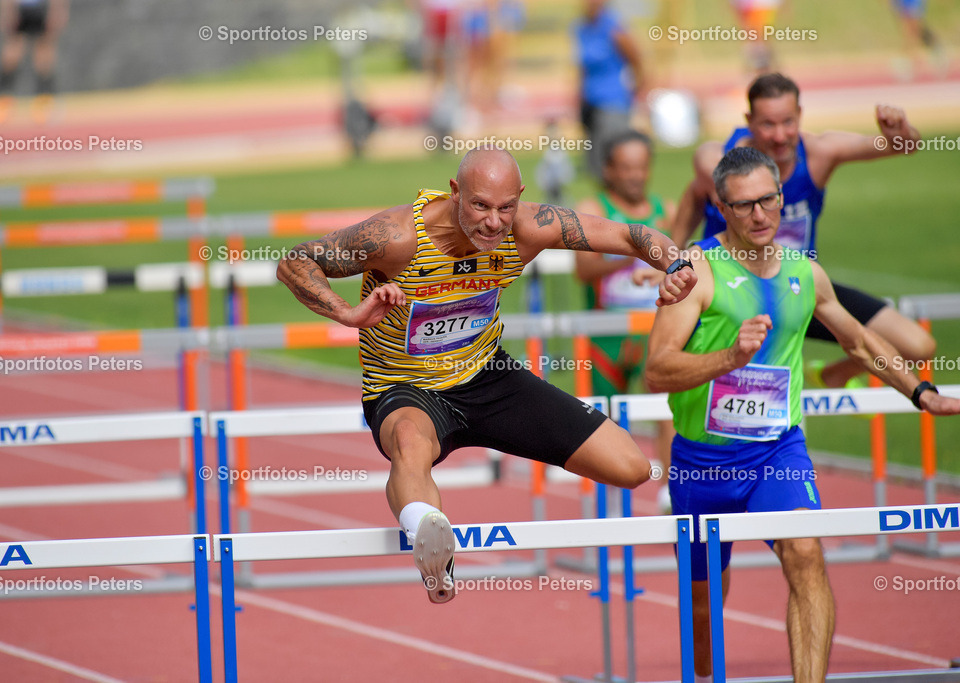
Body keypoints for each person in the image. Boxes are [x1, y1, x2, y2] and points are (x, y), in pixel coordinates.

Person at [277, 147, 696, 603]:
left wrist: (677, 265)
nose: (493, 223)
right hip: (407, 387)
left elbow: (633, 235)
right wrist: (348, 314)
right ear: (455, 193)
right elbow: (296, 261)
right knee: (410, 445)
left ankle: (430, 527)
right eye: (479, 206)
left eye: (505, 208)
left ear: (519, 198)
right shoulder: (397, 237)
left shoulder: (531, 227)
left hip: (488, 376)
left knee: (631, 467)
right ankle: (431, 542)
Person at [646, 147, 960, 683]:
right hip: (702, 462)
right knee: (704, 612)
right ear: (721, 208)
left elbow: (862, 343)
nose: (759, 215)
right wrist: (730, 357)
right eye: (744, 205)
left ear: (780, 198)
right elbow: (658, 371)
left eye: (768, 200)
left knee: (805, 555)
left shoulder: (805, 272)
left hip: (777, 453)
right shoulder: (697, 272)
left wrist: (921, 392)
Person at [671, 72, 935, 391]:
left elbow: (904, 146)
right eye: (768, 124)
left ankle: (833, 375)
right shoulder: (718, 159)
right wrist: (669, 256)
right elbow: (694, 195)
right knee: (691, 383)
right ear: (749, 121)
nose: (780, 136)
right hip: (729, 296)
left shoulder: (819, 153)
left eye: (788, 122)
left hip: (800, 289)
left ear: (800, 116)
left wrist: (900, 133)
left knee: (918, 345)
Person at [574, 130, 676, 513]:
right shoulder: (592, 207)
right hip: (606, 334)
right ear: (609, 170)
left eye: (642, 167)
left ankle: (669, 486)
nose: (636, 175)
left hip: (654, 326)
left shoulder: (664, 209)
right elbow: (584, 270)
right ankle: (612, 494)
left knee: (667, 407)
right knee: (608, 418)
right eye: (627, 168)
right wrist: (632, 250)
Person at [575, 0, 647, 176]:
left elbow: (636, 58)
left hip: (613, 103)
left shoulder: (613, 27)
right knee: (595, 164)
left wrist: (637, 89)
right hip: (591, 103)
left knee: (614, 163)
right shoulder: (581, 28)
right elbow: (582, 67)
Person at [0, 0, 69, 125]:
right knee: (11, 56)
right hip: (20, 8)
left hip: (42, 8)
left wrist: (57, 10)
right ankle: (2, 102)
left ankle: (44, 102)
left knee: (44, 57)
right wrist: (6, 12)